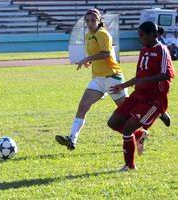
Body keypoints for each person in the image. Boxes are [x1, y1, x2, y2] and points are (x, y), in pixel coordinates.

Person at [55, 9, 170, 151]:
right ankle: (72, 139)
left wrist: (88, 58)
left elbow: (106, 53)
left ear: (99, 21)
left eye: (92, 20)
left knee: (127, 113)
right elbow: (97, 55)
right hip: (98, 79)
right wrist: (90, 61)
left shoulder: (102, 34)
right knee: (83, 106)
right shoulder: (88, 36)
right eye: (87, 20)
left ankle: (159, 113)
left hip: (112, 78)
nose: (90, 23)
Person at [107, 21, 175, 171]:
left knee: (127, 128)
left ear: (154, 34)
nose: (140, 38)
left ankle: (129, 166)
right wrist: (122, 86)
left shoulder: (162, 50)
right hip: (138, 95)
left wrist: (145, 80)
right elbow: (139, 76)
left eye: (142, 35)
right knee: (113, 122)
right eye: (139, 35)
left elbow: (166, 74)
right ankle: (140, 135)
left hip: (154, 100)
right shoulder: (143, 50)